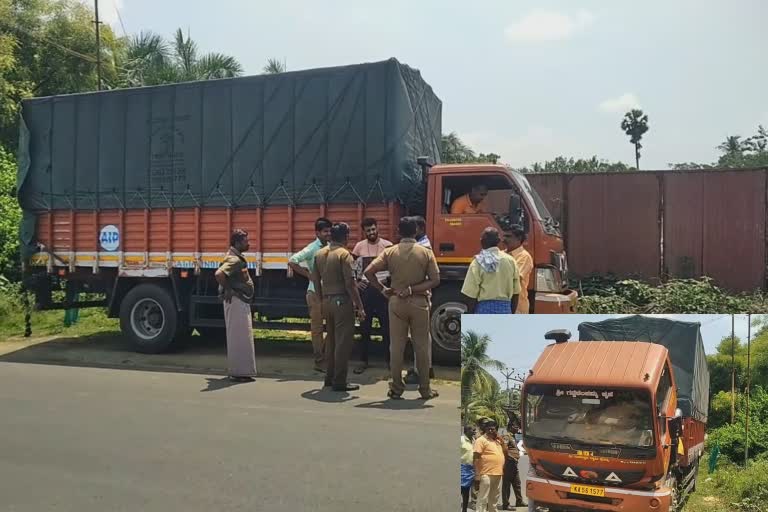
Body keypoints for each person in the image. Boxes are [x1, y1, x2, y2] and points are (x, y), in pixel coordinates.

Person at [364, 216, 440, 400]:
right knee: (421, 346)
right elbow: (435, 280)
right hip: (419, 302)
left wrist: (383, 289)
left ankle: (396, 387)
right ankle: (425, 389)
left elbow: (368, 272)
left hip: (396, 301)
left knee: (396, 347)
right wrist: (413, 289)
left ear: (399, 232)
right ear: (416, 231)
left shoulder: (390, 252)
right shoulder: (425, 252)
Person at [311, 222, 366, 392]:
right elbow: (350, 284)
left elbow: (315, 280)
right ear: (345, 237)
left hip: (326, 300)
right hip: (342, 301)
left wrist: (321, 300)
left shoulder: (319, 254)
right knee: (343, 343)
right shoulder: (344, 255)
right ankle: (340, 381)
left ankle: (329, 377)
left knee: (332, 341)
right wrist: (360, 306)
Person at [289, 217, 332, 372]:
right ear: (317, 233)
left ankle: (327, 358)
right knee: (318, 328)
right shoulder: (313, 248)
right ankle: (319, 360)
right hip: (315, 293)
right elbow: (293, 260)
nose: (328, 234)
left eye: (329, 230)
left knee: (332, 327)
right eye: (325, 231)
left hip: (328, 293)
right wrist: (308, 274)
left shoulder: (331, 246)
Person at [351, 218, 393, 374]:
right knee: (364, 327)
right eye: (368, 230)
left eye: (373, 229)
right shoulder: (359, 247)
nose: (372, 232)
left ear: (378, 228)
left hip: (382, 290)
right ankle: (363, 361)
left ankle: (390, 361)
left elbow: (394, 267)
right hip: (366, 290)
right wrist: (355, 283)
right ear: (364, 232)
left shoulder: (388, 246)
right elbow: (352, 268)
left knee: (387, 328)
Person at [215, 229, 257, 382]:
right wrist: (229, 289)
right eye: (246, 241)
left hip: (240, 300)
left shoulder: (236, 257)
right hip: (237, 300)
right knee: (240, 337)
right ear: (238, 243)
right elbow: (219, 274)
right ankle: (239, 373)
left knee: (241, 337)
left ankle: (241, 371)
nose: (249, 243)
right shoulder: (234, 259)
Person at [461, 227, 520, 314]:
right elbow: (516, 293)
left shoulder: (478, 262)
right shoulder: (511, 261)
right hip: (505, 310)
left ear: (482, 241)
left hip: (484, 311)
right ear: (499, 240)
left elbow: (470, 295)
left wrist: (470, 314)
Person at [405, 215, 435, 384]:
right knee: (423, 334)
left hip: (417, 294)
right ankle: (426, 366)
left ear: (420, 229)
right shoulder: (424, 245)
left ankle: (420, 370)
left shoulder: (421, 247)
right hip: (421, 293)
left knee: (419, 335)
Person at [473, 419, 507, 512]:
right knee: (483, 498)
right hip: (485, 474)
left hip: (498, 474)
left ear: (496, 430)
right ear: (485, 429)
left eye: (493, 429)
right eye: (489, 429)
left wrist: (502, 441)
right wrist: (477, 475)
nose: (491, 431)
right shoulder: (481, 440)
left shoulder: (497, 441)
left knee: (494, 498)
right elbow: (476, 457)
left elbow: (505, 452)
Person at [504, 225, 533, 314]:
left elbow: (516, 278)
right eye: (504, 236)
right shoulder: (501, 254)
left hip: (518, 306)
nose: (504, 239)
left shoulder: (524, 256)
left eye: (508, 236)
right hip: (503, 305)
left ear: (519, 238)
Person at [501, 420, 526, 509]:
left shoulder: (513, 436)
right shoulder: (507, 436)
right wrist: (511, 458)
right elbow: (504, 449)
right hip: (509, 463)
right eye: (516, 427)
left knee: (517, 483)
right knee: (507, 485)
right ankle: (506, 504)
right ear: (511, 427)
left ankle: (519, 501)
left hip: (514, 463)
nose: (517, 428)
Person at [461, 425, 477, 512]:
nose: (475, 432)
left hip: (472, 468)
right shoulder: (461, 440)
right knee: (461, 489)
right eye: (473, 430)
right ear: (467, 431)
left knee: (466, 492)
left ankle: (464, 510)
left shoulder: (474, 441)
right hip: (463, 468)